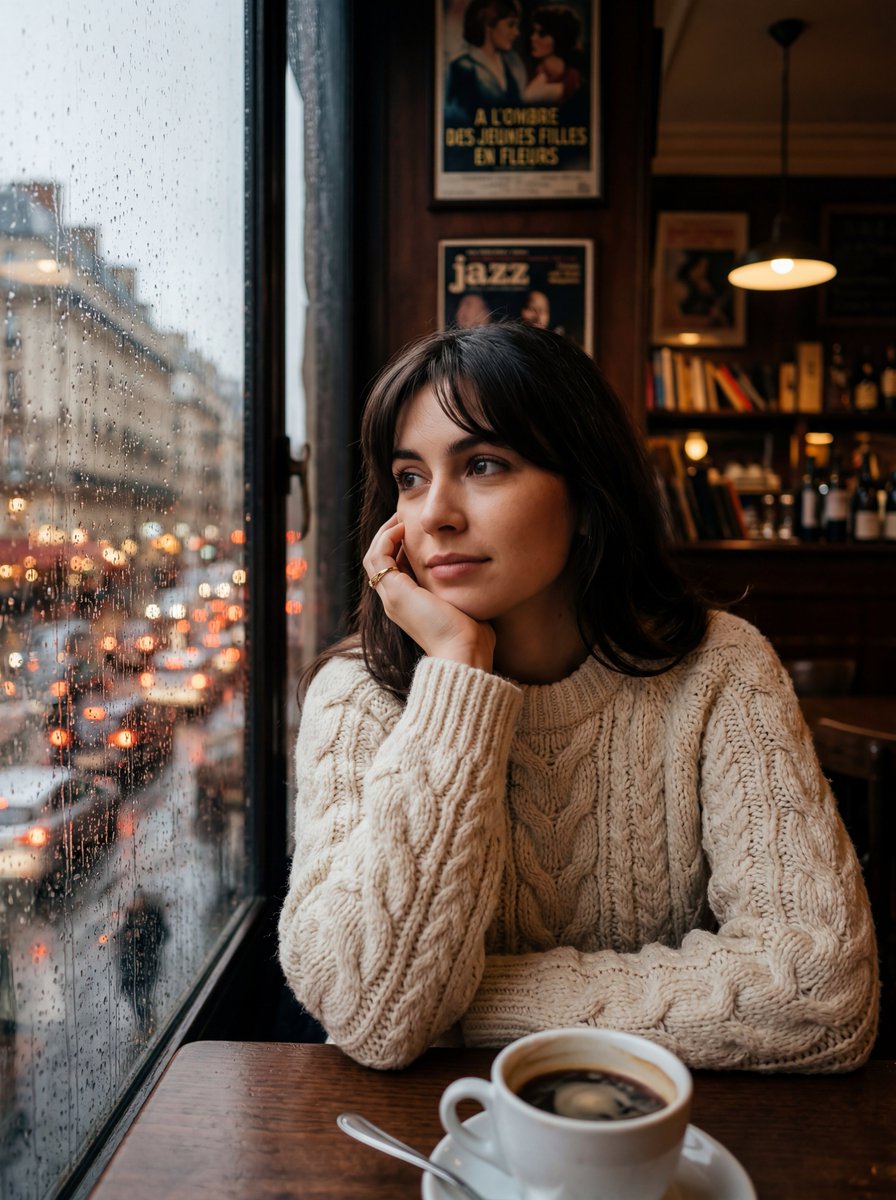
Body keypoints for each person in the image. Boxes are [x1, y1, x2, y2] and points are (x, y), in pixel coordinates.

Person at [278, 322, 878, 1072]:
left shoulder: (721, 667)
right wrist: (459, 675)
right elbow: (369, 1011)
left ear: (587, 493)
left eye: (484, 465)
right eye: (410, 477)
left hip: (663, 1128)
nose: (434, 515)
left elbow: (821, 995)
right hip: (436, 1131)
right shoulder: (357, 693)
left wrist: (456, 1010)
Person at [445, 0, 527, 123]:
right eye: (510, 25)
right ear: (488, 24)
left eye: (517, 26)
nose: (516, 33)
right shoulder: (464, 67)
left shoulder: (513, 65)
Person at [522, 4, 583, 105]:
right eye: (534, 32)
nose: (533, 38)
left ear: (559, 38)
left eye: (542, 34)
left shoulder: (573, 80)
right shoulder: (528, 75)